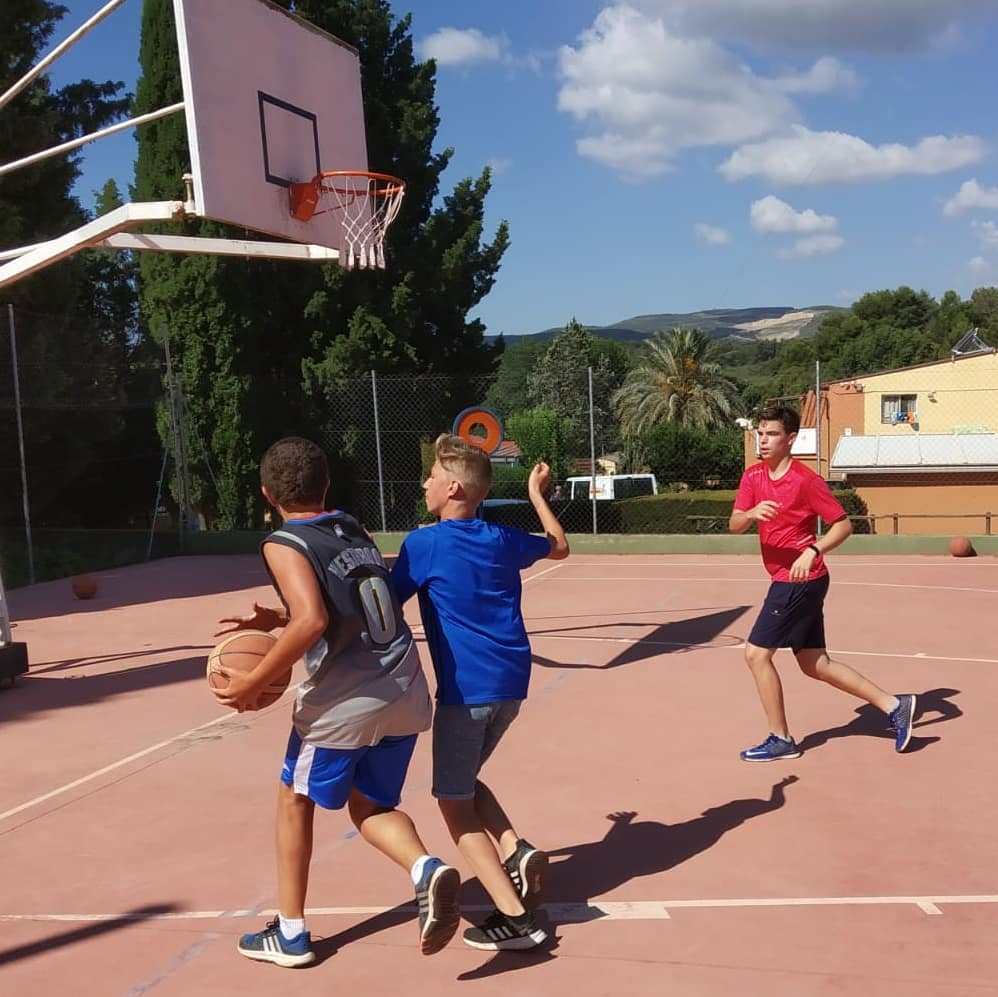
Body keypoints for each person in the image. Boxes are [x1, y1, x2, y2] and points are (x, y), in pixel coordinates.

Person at [212, 436, 460, 967]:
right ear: (326, 486)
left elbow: (314, 620)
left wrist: (255, 678)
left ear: (266, 492)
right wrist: (275, 622)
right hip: (405, 690)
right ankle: (426, 869)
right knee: (369, 805)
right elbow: (357, 607)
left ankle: (292, 934)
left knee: (293, 799)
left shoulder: (284, 542)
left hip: (346, 703)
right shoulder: (352, 528)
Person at [390, 434, 569, 951]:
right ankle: (514, 849)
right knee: (465, 780)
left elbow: (380, 603)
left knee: (451, 800)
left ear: (450, 487)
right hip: (511, 685)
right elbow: (560, 544)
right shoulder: (500, 537)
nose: (423, 482)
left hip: (466, 693)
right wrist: (538, 495)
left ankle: (516, 918)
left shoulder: (423, 545)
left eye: (430, 475)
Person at [729, 405, 916, 762]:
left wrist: (812, 550)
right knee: (815, 663)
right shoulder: (753, 477)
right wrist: (750, 514)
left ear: (791, 440)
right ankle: (895, 705)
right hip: (792, 581)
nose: (763, 439)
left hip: (800, 580)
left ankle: (780, 738)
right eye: (760, 433)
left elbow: (843, 525)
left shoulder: (805, 480)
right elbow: (735, 523)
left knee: (755, 654)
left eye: (771, 434)